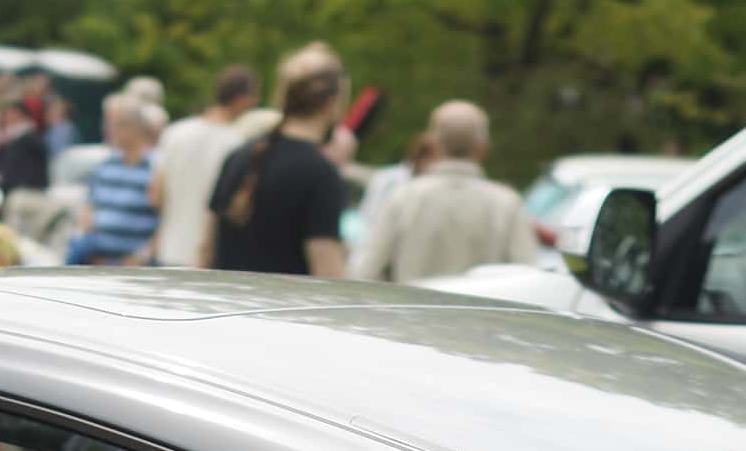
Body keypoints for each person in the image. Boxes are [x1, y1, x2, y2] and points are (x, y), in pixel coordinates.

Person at [351, 102, 536, 285]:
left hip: (413, 312)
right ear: (483, 147)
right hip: (481, 314)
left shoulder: (403, 198)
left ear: (433, 145)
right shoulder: (507, 204)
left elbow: (365, 272)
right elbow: (527, 278)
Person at [204, 52, 352, 279]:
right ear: (333, 102)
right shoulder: (322, 174)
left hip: (225, 309)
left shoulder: (239, 157)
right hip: (284, 312)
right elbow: (327, 271)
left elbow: (206, 249)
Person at [149, 64, 256, 269]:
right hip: (209, 256)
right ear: (242, 99)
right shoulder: (239, 143)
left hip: (168, 249)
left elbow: (155, 195)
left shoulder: (175, 132)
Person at [70, 91, 161, 265]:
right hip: (95, 258)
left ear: (135, 128)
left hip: (134, 264)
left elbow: (163, 223)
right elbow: (89, 206)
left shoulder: (156, 167)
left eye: (117, 125)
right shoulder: (106, 164)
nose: (110, 130)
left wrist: (140, 257)